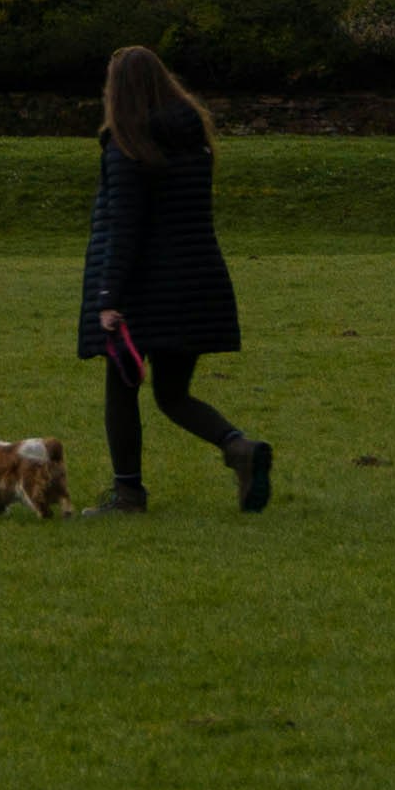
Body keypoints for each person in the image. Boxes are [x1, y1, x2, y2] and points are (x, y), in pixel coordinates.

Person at [81, 42, 268, 513]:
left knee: (121, 388)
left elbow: (124, 227)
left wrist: (108, 296)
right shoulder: (194, 140)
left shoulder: (127, 146)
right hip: (196, 283)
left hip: (144, 290)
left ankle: (128, 493)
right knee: (172, 393)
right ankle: (239, 448)